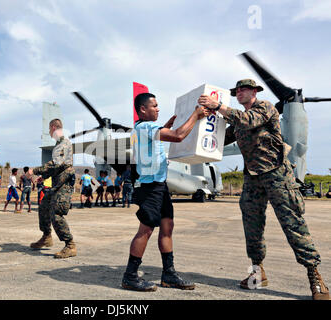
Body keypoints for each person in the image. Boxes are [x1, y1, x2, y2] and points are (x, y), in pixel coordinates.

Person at [198, 79, 329, 300]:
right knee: (252, 226)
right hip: (252, 178)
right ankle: (257, 273)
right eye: (236, 91)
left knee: (292, 223)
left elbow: (249, 120)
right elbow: (218, 137)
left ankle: (314, 275)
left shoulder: (264, 108)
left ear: (255, 92)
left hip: (277, 174)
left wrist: (217, 106)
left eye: (244, 89)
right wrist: (199, 121)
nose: (239, 93)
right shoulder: (236, 121)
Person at [121, 92, 207, 292]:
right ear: (143, 109)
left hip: (159, 185)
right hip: (150, 186)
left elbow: (158, 139)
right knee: (146, 229)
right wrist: (196, 114)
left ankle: (168, 274)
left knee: (167, 226)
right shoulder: (146, 127)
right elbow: (178, 136)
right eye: (155, 106)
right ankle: (130, 276)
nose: (158, 109)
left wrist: (165, 126)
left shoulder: (142, 129)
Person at [30, 118, 76, 259]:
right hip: (57, 182)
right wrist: (44, 177)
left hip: (64, 183)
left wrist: (36, 170)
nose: (49, 132)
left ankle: (70, 245)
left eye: (50, 129)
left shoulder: (64, 143)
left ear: (54, 127)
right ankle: (46, 237)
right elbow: (57, 167)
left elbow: (56, 164)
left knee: (56, 213)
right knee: (44, 207)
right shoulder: (59, 144)